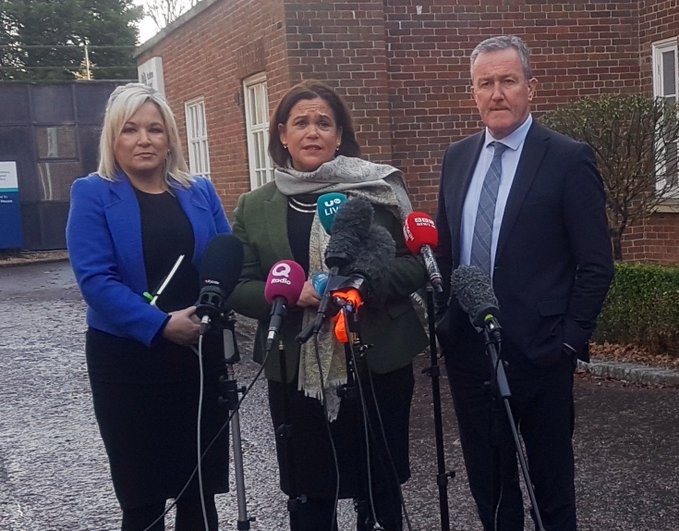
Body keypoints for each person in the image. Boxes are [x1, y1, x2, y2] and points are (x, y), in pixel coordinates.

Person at [227, 79, 428, 531]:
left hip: (376, 361)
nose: (312, 132)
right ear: (282, 135)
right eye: (300, 123)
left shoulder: (376, 191)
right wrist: (288, 294)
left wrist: (361, 285)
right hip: (296, 366)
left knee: (378, 490)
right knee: (309, 493)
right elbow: (240, 284)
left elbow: (415, 266)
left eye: (323, 123)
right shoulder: (254, 206)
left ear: (339, 135)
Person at [435, 36, 614, 530]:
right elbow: (445, 251)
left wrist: (570, 340)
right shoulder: (456, 157)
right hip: (471, 356)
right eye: (485, 83)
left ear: (530, 88)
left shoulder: (567, 158)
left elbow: (597, 263)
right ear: (473, 93)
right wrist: (444, 323)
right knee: (489, 488)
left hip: (540, 354)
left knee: (550, 489)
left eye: (508, 81)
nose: (497, 94)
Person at [66, 83, 232, 531]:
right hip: (128, 361)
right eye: (131, 130)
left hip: (198, 355)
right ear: (112, 138)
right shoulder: (92, 193)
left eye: (155, 129)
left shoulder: (200, 191)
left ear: (170, 138)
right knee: (143, 497)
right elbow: (96, 280)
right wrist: (159, 325)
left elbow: (226, 254)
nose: (144, 140)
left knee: (198, 491)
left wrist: (209, 310)